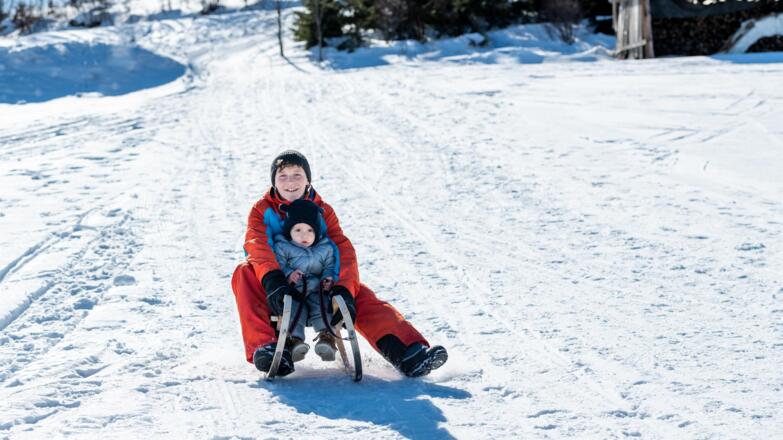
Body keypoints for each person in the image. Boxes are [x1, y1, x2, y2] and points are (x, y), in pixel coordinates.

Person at [231, 150, 448, 377]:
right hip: (282, 284)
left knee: (360, 294)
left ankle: (408, 352)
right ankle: (267, 348)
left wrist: (343, 288)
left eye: (297, 175)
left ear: (308, 180)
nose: (290, 182)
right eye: (282, 176)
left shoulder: (323, 211)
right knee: (244, 272)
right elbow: (257, 244)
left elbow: (342, 249)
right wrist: (273, 280)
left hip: (319, 281)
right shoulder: (262, 210)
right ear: (274, 182)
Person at [272, 198, 338, 362]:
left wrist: (327, 277)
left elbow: (330, 266)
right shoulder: (283, 246)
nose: (304, 235)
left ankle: (326, 338)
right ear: (289, 230)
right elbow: (278, 264)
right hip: (295, 289)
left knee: (322, 305)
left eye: (310, 230)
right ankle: (295, 342)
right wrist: (288, 274)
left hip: (316, 288)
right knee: (294, 309)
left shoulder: (325, 248)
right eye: (298, 229)